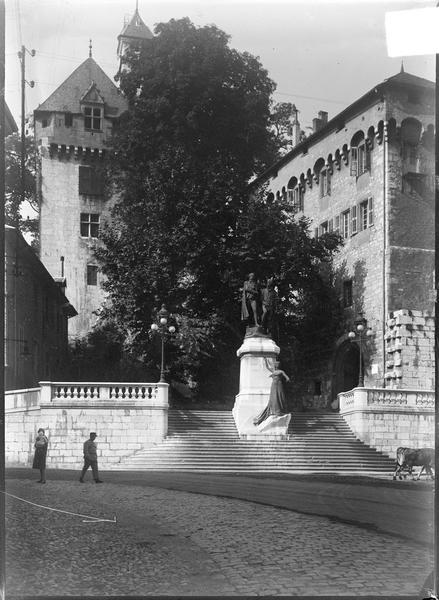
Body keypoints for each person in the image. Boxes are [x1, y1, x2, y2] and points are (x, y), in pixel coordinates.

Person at [254, 358, 290, 426]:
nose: (276, 366)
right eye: (276, 365)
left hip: (279, 385)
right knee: (274, 397)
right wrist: (266, 360)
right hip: (273, 385)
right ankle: (274, 410)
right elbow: (267, 367)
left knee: (279, 396)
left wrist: (287, 378)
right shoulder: (273, 370)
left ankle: (279, 410)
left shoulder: (281, 371)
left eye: (277, 365)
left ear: (279, 366)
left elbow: (286, 376)